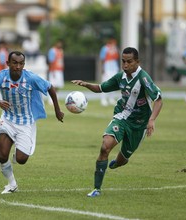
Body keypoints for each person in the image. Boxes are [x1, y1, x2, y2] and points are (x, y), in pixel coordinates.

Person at [71, 47, 163, 197]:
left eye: (129, 62)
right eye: (123, 61)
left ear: (137, 62)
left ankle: (118, 162)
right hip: (122, 117)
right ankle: (96, 189)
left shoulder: (143, 78)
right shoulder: (120, 77)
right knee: (105, 147)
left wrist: (151, 120)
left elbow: (158, 100)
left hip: (139, 125)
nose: (125, 65)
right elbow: (101, 88)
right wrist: (85, 84)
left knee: (122, 160)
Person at [0, 51, 64, 194]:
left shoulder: (31, 78)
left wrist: (57, 110)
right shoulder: (1, 77)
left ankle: (19, 148)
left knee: (21, 159)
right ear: (8, 63)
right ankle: (12, 184)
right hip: (7, 119)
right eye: (15, 63)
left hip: (26, 122)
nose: (18, 66)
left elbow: (50, 87)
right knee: (2, 155)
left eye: (21, 63)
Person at [99, 38, 119, 106]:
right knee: (105, 84)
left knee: (114, 84)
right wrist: (102, 68)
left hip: (114, 68)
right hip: (107, 68)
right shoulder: (105, 48)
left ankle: (111, 98)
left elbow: (116, 59)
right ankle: (103, 99)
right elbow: (102, 59)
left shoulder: (115, 49)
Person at [47, 39, 64, 105]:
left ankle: (56, 99)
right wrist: (52, 70)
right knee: (53, 85)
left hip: (59, 70)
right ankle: (50, 100)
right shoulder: (52, 50)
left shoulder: (61, 51)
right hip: (54, 70)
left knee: (58, 86)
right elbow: (51, 61)